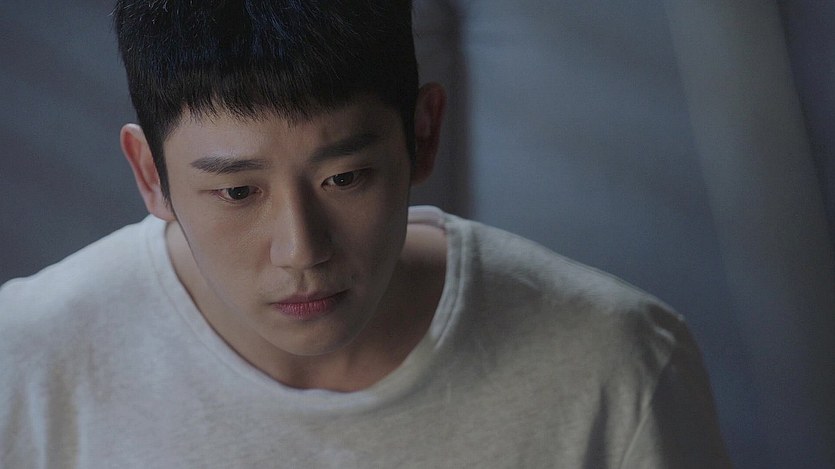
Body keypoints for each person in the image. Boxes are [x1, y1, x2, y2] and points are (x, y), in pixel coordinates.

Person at [0, 1, 732, 467]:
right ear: (149, 173)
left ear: (423, 133)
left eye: (345, 177)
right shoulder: (26, 360)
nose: (302, 250)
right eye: (237, 191)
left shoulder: (617, 365)